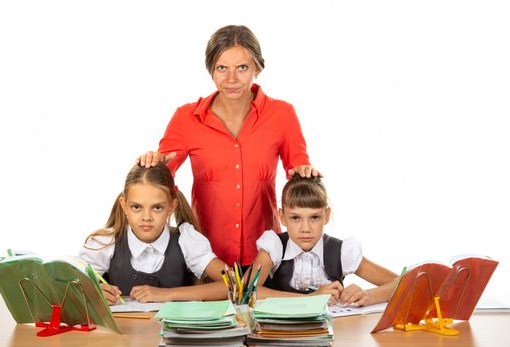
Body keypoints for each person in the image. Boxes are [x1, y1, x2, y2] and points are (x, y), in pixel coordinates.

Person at [137, 25, 320, 268]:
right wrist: (151, 165)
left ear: (257, 68)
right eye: (222, 68)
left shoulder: (282, 114)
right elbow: (159, 180)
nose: (231, 79)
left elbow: (298, 174)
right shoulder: (186, 118)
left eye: (242, 67)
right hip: (204, 257)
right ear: (211, 70)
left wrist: (305, 173)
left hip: (266, 256)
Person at [79, 163, 227, 304]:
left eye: (157, 208)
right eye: (136, 207)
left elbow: (234, 285)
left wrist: (169, 294)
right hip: (123, 330)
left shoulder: (187, 241)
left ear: (171, 206)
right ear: (124, 205)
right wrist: (92, 294)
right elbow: (66, 290)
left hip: (174, 330)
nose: (146, 217)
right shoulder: (105, 243)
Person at [251, 175, 398, 306]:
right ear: (282, 216)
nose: (305, 228)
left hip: (334, 331)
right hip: (281, 330)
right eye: (295, 218)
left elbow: (401, 283)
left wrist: (368, 295)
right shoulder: (275, 247)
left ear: (326, 215)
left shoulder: (341, 251)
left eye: (314, 217)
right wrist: (311, 299)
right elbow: (247, 291)